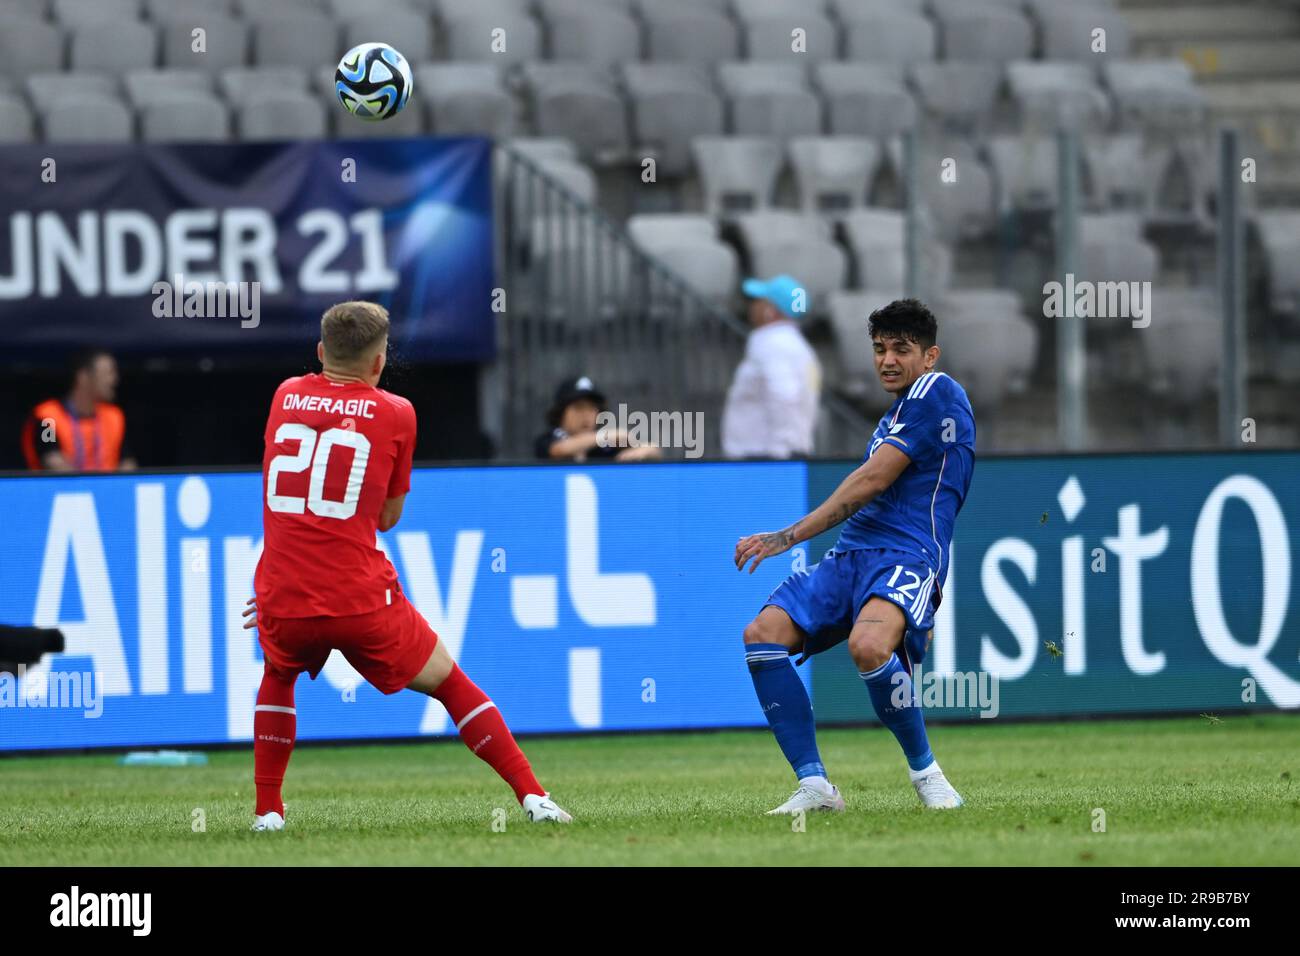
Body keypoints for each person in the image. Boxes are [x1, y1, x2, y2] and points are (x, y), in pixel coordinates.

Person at [242, 300, 571, 831]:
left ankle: (268, 814)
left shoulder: (284, 394)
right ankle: (534, 798)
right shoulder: (397, 412)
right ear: (378, 362)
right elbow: (389, 517)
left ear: (321, 351)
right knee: (449, 681)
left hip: (284, 592)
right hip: (358, 595)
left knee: (279, 674)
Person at [734, 298, 975, 813]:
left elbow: (870, 481)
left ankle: (927, 775)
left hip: (906, 554)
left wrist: (787, 537)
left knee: (868, 646)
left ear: (930, 355)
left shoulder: (938, 392)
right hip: (852, 556)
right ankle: (815, 787)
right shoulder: (896, 412)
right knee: (762, 636)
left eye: (901, 349)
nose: (887, 360)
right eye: (879, 349)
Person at [721, 274, 821, 459]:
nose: (752, 306)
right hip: (783, 454)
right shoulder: (801, 348)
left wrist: (779, 455)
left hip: (764, 457)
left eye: (759, 301)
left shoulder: (772, 344)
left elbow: (784, 395)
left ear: (771, 311)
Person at [21, 348, 137, 472]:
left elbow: (128, 462)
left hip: (108, 489)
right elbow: (52, 461)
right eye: (108, 373)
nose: (114, 380)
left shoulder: (114, 417)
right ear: (83, 377)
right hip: (62, 490)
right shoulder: (48, 418)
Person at [535, 375, 661, 462]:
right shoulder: (548, 440)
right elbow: (559, 450)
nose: (586, 415)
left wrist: (641, 451)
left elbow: (653, 450)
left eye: (592, 409)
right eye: (579, 408)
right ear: (560, 412)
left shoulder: (602, 447)